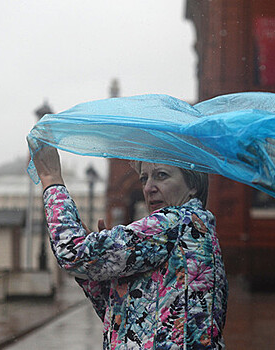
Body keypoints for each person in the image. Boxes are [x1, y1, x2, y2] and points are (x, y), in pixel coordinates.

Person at [33, 145, 228, 350]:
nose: (148, 187)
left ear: (193, 184)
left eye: (161, 175)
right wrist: (104, 269)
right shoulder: (196, 228)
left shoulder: (173, 224)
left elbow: (71, 252)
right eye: (144, 178)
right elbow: (124, 318)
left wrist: (51, 179)